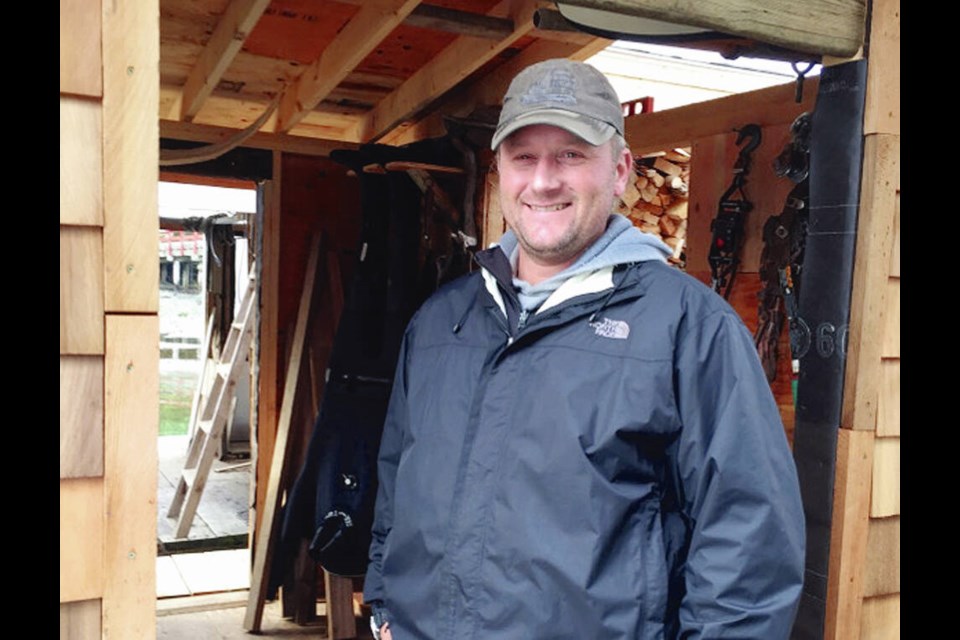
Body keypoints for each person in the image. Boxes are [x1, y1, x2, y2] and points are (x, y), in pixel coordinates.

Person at [363, 58, 805, 640]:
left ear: (620, 170)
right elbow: (398, 477)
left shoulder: (690, 330)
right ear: (500, 169)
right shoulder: (442, 322)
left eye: (571, 154)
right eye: (524, 156)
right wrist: (384, 602)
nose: (544, 180)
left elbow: (750, 541)